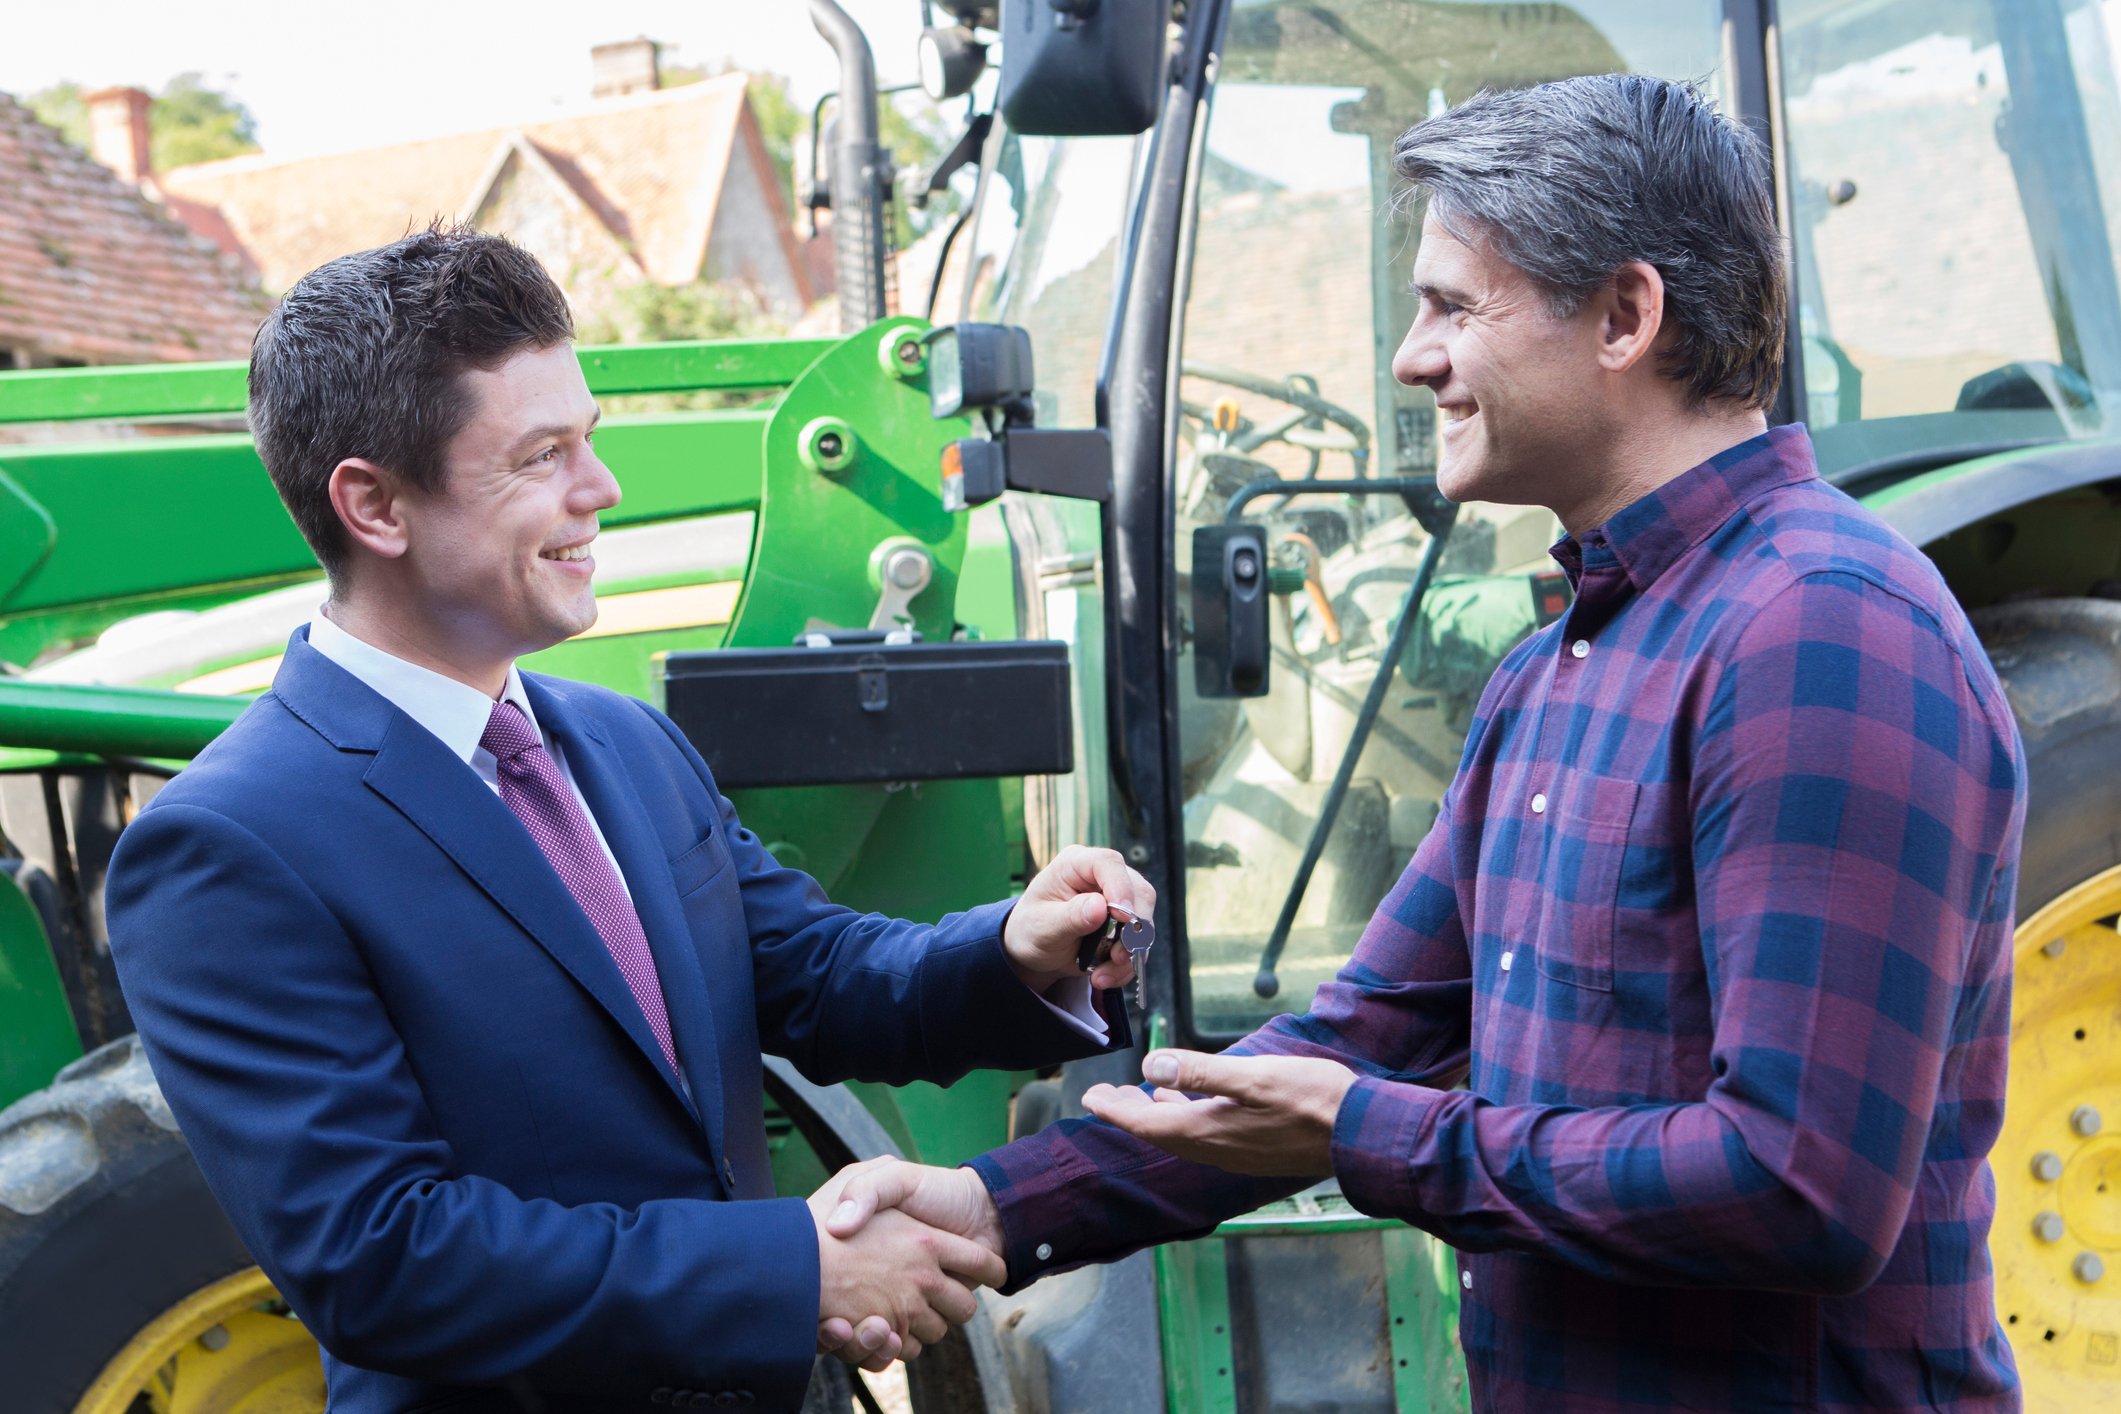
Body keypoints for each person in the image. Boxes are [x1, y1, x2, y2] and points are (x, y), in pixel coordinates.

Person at [823, 74, 2029, 1411]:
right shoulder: (1553, 669)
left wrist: (1369, 1133)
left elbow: (1798, 1186)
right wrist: (984, 1207)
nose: (1412, 357)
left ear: (1625, 315)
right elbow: (1365, 1034)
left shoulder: (1820, 632)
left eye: (1455, 306)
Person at [105, 224, 1151, 1414]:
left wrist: (1010, 948)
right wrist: (794, 1267)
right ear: (374, 504)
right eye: (542, 455)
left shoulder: (623, 739)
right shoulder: (225, 848)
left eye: (588, 439)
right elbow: (383, 1254)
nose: (599, 490)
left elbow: (806, 971)